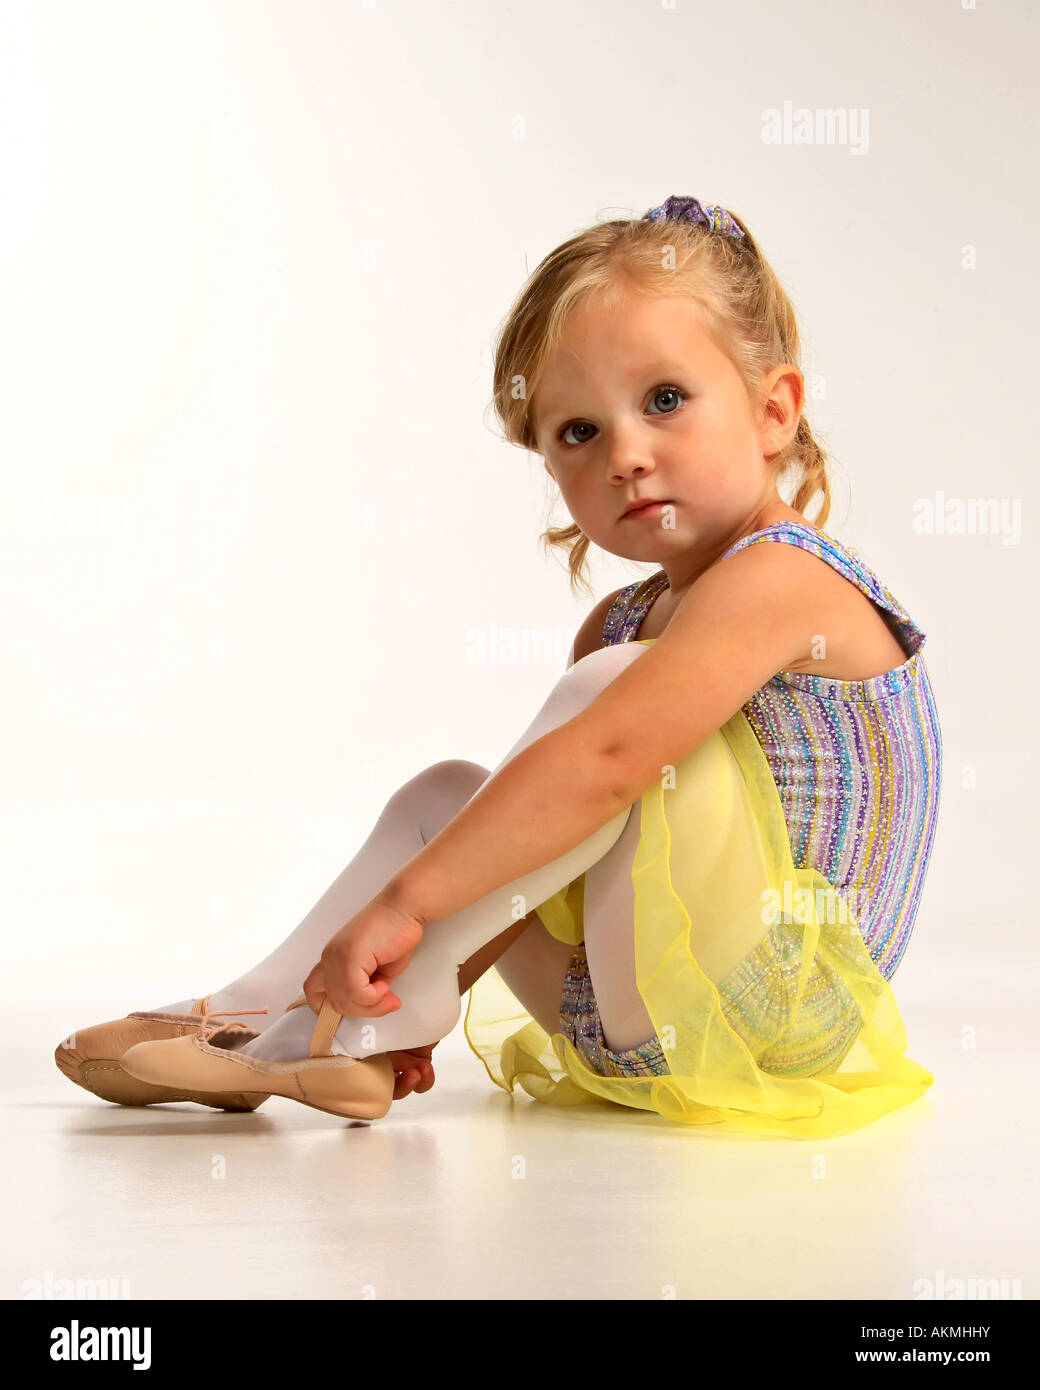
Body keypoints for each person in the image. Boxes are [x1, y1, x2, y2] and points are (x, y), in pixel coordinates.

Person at [56, 195, 942, 1138]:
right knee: (453, 797)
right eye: (578, 432)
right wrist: (434, 973)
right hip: (620, 1015)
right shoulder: (622, 622)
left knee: (601, 723)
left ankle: (325, 1030)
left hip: (766, 1017)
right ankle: (278, 1013)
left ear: (774, 411)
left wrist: (405, 906)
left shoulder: (786, 577)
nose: (627, 456)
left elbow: (604, 770)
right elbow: (548, 852)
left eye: (666, 401)